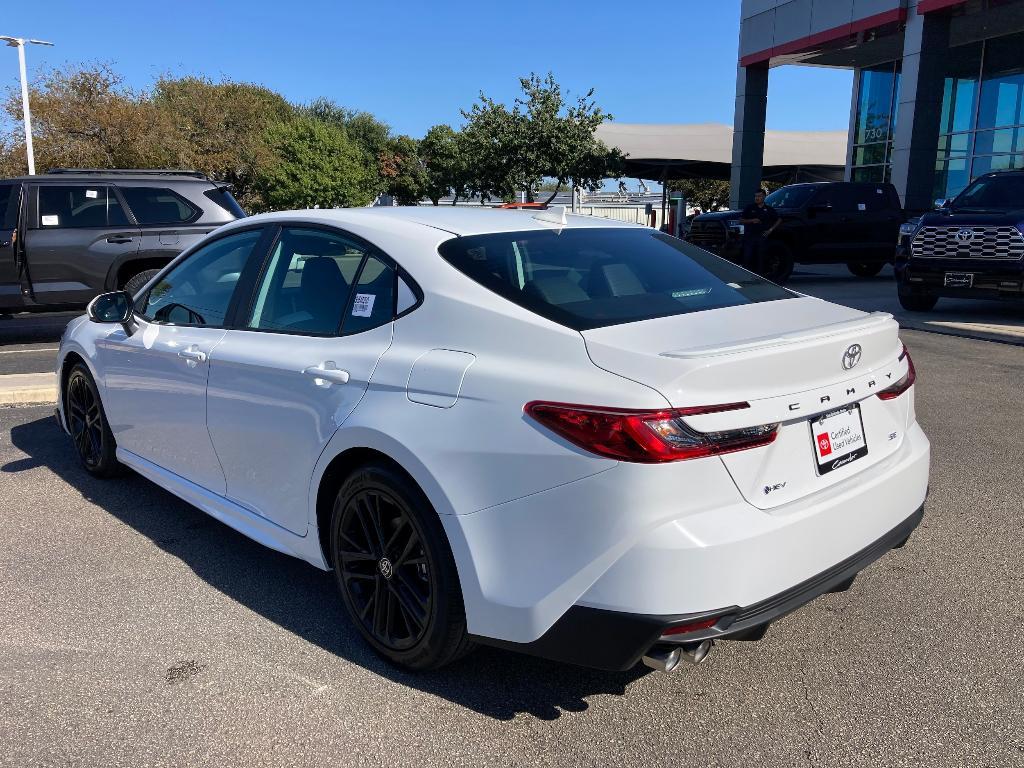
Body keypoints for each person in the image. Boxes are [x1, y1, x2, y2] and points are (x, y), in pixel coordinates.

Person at [738, 189, 781, 274]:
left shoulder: (769, 209)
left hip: (762, 237)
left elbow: (779, 219)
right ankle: (746, 276)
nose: (757, 198)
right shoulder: (749, 208)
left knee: (760, 258)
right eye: (756, 196)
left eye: (759, 196)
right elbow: (741, 220)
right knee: (748, 257)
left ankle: (759, 278)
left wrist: (770, 230)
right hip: (749, 237)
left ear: (764, 197)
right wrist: (752, 220)